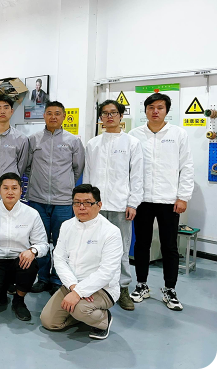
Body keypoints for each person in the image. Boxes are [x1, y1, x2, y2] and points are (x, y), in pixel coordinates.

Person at [128, 93, 194, 311]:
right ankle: (141, 284)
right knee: (141, 244)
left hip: (169, 200)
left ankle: (170, 289)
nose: (155, 111)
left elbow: (186, 167)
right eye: (151, 107)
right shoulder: (135, 135)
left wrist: (183, 196)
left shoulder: (178, 134)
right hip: (142, 199)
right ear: (145, 110)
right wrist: (131, 198)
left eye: (160, 107)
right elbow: (129, 168)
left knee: (169, 246)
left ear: (167, 111)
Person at [40, 184, 122, 340]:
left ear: (99, 205)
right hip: (72, 283)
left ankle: (104, 320)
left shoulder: (111, 232)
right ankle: (82, 314)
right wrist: (73, 287)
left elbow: (107, 272)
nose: (81, 207)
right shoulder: (67, 226)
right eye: (77, 203)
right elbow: (59, 258)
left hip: (102, 288)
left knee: (80, 309)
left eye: (87, 203)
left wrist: (79, 292)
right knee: (49, 322)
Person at [83, 100, 143, 311]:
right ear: (100, 118)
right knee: (93, 247)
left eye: (113, 113)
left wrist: (133, 203)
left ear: (120, 116)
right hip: (96, 206)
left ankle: (123, 287)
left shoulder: (132, 143)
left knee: (121, 249)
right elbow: (88, 175)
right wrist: (86, 202)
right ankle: (95, 285)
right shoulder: (93, 144)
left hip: (120, 205)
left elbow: (137, 176)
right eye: (105, 113)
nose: (109, 117)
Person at [26, 101, 85, 295]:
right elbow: (27, 166)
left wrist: (64, 184)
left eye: (57, 113)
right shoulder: (33, 140)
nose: (53, 117)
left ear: (64, 116)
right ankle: (42, 278)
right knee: (40, 241)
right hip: (37, 199)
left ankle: (59, 279)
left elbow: (77, 168)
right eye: (49, 113)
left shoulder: (73, 141)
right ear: (44, 115)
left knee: (62, 242)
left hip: (63, 201)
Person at [0, 173, 49, 321]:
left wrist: (33, 251)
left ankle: (19, 300)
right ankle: (1, 289)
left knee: (31, 264)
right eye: (6, 188)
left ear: (21, 191)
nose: (10, 192)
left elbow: (43, 244)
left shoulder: (31, 214)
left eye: (14, 188)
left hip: (19, 260)